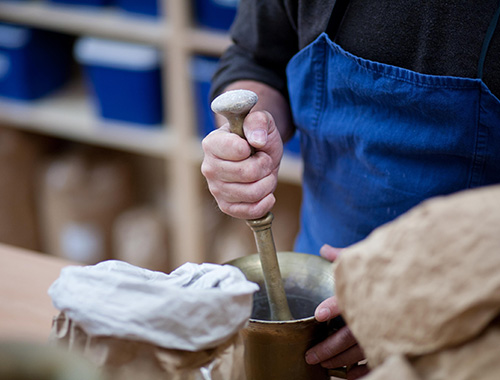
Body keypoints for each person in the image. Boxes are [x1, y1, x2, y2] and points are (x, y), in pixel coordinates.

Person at [201, 1, 500, 379]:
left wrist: (429, 287)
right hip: (322, 275)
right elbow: (256, 59)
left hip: (470, 318)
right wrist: (246, 142)